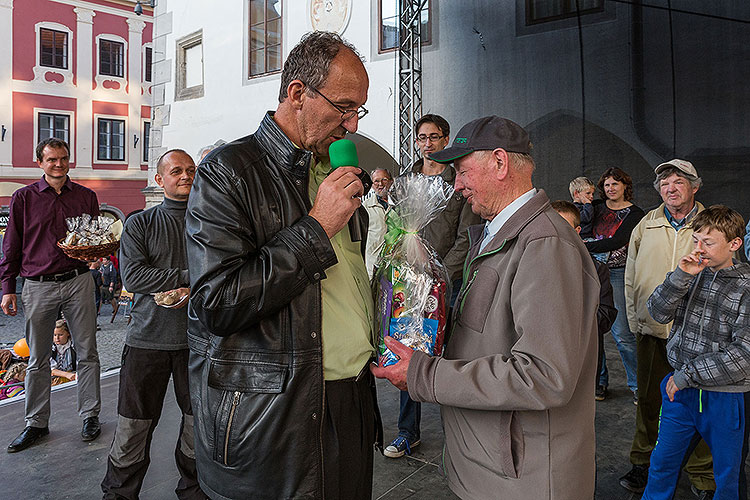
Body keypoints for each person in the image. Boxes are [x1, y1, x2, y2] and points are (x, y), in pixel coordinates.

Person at [185, 32, 381, 500]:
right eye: (344, 107)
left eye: (360, 111)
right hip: (275, 412)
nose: (352, 125)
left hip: (353, 397)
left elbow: (343, 285)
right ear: (297, 93)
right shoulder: (227, 172)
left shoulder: (331, 172)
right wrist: (317, 227)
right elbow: (217, 301)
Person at [372, 115, 600, 500]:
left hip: (523, 480)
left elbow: (543, 375)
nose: (456, 185)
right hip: (490, 469)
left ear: (499, 162)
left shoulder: (544, 245)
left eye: (462, 171)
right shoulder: (499, 234)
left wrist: (425, 373)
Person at [101, 149, 202, 499]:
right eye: (176, 171)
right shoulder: (140, 223)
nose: (186, 175)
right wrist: (190, 276)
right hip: (147, 340)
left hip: (197, 341)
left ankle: (194, 490)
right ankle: (119, 494)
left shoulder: (208, 221)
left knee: (196, 424)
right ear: (160, 180)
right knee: (133, 426)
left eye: (190, 170)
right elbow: (133, 275)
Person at [384, 113, 482, 459]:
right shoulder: (405, 179)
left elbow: (467, 237)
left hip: (446, 282)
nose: (427, 143)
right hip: (409, 283)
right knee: (408, 350)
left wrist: (440, 273)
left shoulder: (458, 182)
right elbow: (397, 225)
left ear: (446, 140)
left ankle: (463, 434)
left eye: (434, 137)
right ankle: (407, 432)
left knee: (454, 352)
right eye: (422, 137)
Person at [641, 205, 750, 500]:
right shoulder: (692, 272)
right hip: (682, 394)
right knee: (662, 464)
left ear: (734, 244)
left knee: (728, 477)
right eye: (696, 240)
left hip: (726, 397)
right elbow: (657, 313)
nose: (699, 249)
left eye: (708, 242)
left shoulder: (746, 286)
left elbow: (745, 355)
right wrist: (680, 276)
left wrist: (688, 374)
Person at [0, 138, 102, 453]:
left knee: (87, 353)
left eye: (63, 158)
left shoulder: (86, 196)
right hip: (37, 285)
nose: (58, 164)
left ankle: (90, 415)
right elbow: (11, 245)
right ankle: (36, 423)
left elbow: (94, 237)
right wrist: (7, 288)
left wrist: (96, 255)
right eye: (52, 159)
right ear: (39, 162)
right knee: (37, 359)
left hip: (78, 281)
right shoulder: (23, 198)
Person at [621, 159, 715, 496]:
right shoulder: (647, 224)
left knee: (701, 405)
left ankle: (702, 474)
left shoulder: (711, 225)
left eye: (677, 182)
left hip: (698, 336)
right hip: (653, 331)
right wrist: (635, 320)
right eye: (664, 183)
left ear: (695, 186)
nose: (670, 189)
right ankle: (643, 464)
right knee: (648, 401)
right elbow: (631, 277)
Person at [585, 167, 645, 402]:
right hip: (590, 271)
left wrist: (583, 244)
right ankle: (598, 382)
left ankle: (638, 385)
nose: (610, 189)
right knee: (592, 331)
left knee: (622, 334)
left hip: (617, 273)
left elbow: (616, 242)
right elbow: (578, 222)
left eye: (615, 185)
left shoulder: (635, 213)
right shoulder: (596, 207)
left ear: (625, 187)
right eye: (607, 185)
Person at [552, 200, 618, 395]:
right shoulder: (528, 265)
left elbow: (606, 316)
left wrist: (567, 322)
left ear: (578, 230)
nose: (558, 232)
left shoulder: (596, 270)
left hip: (581, 361)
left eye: (565, 227)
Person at [363, 168, 393, 278]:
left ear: (391, 181)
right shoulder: (365, 208)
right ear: (371, 184)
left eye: (384, 179)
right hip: (372, 266)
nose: (380, 184)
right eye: (376, 181)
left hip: (395, 266)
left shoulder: (400, 205)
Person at [50, 319, 76, 384]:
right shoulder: (50, 348)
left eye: (60, 335)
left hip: (73, 377)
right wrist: (66, 375)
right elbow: (51, 369)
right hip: (54, 379)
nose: (57, 338)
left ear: (68, 334)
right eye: (55, 335)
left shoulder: (74, 346)